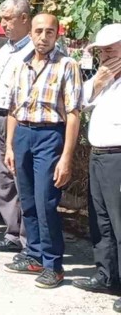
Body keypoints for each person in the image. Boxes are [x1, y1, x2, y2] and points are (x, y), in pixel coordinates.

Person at [3, 13, 82, 289]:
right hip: (23, 133)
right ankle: (34, 254)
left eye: (49, 32)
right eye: (38, 31)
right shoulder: (20, 64)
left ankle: (53, 265)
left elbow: (73, 113)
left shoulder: (66, 65)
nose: (43, 37)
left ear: (57, 34)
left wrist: (67, 158)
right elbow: (13, 108)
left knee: (45, 200)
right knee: (27, 200)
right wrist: (10, 146)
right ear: (31, 32)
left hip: (50, 135)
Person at [73, 24, 121, 311]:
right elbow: (78, 102)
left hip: (118, 156)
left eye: (111, 50)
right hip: (99, 155)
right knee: (100, 221)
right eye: (101, 51)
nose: (105, 56)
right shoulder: (104, 77)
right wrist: (100, 80)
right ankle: (106, 276)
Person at [0, 0, 33, 254]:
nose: (3, 24)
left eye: (8, 19)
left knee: (21, 176)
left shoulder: (34, 51)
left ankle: (29, 239)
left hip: (19, 119)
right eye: (1, 18)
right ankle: (12, 233)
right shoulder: (4, 50)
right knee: (2, 178)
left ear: (24, 18)